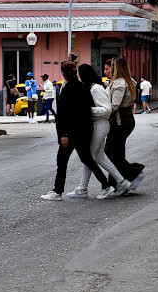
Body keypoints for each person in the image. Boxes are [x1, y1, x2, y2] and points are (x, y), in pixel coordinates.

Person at [41, 61, 114, 200]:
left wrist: (64, 134)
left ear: (63, 74)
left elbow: (65, 114)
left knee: (62, 160)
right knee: (87, 159)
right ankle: (105, 184)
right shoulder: (83, 87)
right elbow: (87, 111)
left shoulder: (68, 89)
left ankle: (57, 191)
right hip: (83, 132)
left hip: (71, 133)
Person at [70, 63, 129, 198]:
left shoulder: (96, 88)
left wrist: (87, 111)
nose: (78, 76)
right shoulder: (93, 87)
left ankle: (83, 188)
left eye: (80, 73)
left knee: (88, 157)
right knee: (98, 156)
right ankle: (121, 181)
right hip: (98, 124)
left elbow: (106, 109)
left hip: (100, 124)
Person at [102, 55, 147, 194]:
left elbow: (114, 105)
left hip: (119, 122)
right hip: (122, 120)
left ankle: (132, 174)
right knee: (114, 153)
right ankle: (119, 183)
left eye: (109, 68)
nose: (105, 71)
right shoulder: (128, 81)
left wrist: (100, 110)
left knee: (112, 154)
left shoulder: (120, 83)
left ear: (117, 68)